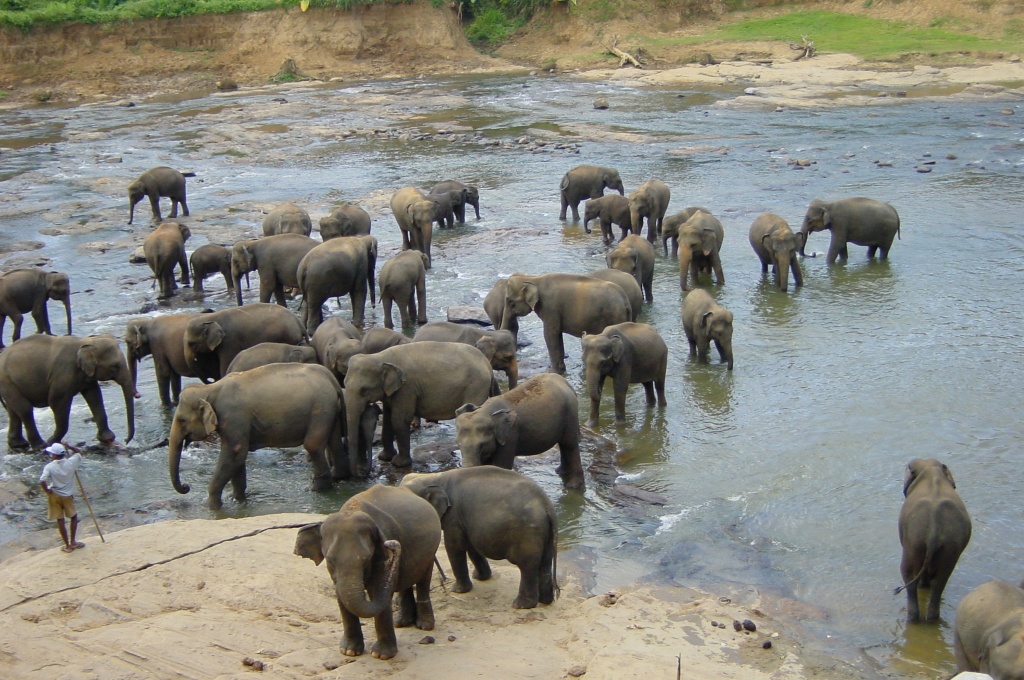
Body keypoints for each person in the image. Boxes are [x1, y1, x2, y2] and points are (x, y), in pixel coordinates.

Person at [39, 442, 86, 553]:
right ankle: (73, 541)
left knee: (60, 519)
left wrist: (47, 490)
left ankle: (67, 546)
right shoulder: (71, 463)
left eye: (51, 453)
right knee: (73, 517)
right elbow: (80, 452)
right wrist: (70, 446)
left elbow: (42, 480)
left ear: (54, 455)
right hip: (68, 495)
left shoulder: (49, 467)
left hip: (54, 494)